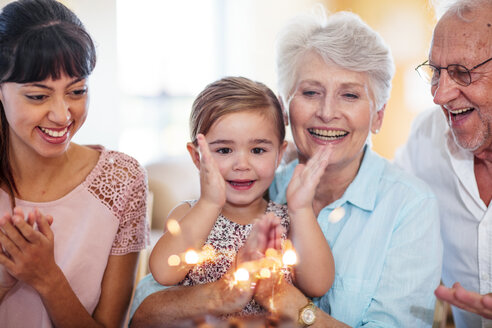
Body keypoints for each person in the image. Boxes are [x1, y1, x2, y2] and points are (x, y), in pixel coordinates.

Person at [129, 9, 442, 328]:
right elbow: (145, 307)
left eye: (349, 94)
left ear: (378, 115)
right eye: (310, 92)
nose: (327, 112)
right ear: (286, 108)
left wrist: (288, 301)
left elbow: (318, 283)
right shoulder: (248, 189)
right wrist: (223, 294)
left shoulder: (409, 207)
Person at [0, 0, 149, 327]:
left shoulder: (122, 179)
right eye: (38, 96)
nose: (62, 115)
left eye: (77, 91)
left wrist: (47, 278)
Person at [148, 76, 334, 317]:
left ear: (279, 155)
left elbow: (318, 284)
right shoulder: (188, 214)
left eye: (258, 150)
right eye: (224, 150)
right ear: (197, 157)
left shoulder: (289, 220)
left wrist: (302, 210)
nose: (242, 164)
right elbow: (163, 272)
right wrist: (209, 202)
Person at [394, 0, 492, 326]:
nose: (439, 95)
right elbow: (379, 197)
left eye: (462, 73)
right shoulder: (427, 136)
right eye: (436, 72)